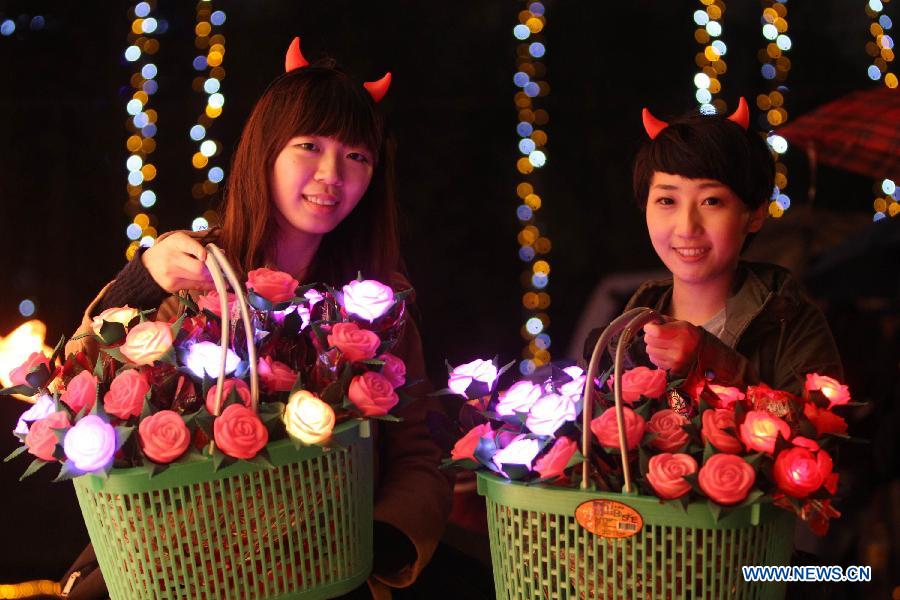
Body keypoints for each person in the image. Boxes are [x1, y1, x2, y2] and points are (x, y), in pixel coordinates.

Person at [59, 37, 452, 600]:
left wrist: (377, 541)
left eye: (357, 156)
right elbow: (66, 384)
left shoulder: (375, 306)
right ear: (264, 150)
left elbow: (418, 454)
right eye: (309, 146)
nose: (332, 173)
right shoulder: (188, 270)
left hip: (319, 575)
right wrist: (143, 279)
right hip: (178, 567)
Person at [584, 98, 843, 396]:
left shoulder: (792, 322)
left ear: (755, 213)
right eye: (667, 201)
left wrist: (711, 361)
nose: (687, 227)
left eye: (711, 201)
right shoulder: (621, 335)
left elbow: (819, 435)